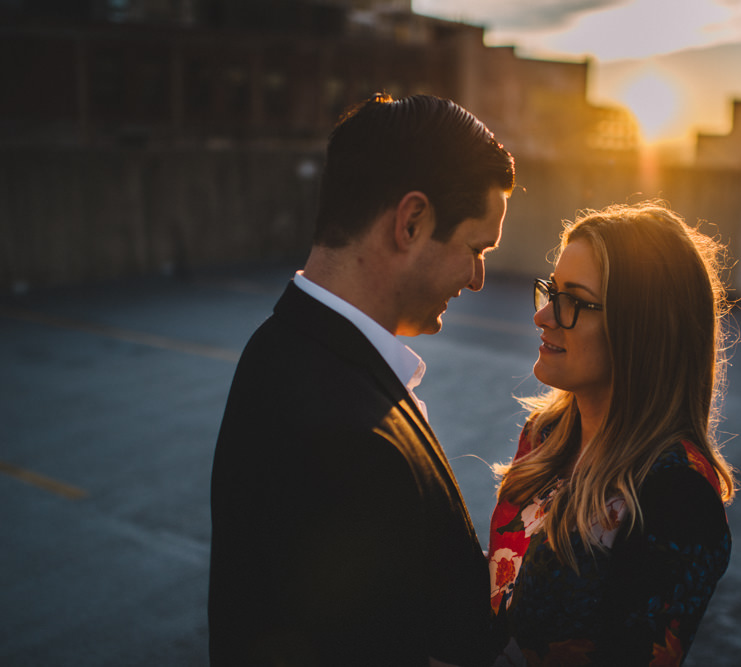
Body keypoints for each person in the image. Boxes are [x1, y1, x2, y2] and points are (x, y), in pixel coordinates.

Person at [208, 93, 515, 666]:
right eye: (476, 248)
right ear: (412, 222)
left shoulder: (280, 346)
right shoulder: (346, 439)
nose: (477, 279)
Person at [487, 202, 737, 666]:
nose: (543, 318)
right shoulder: (545, 436)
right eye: (550, 291)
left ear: (640, 328)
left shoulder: (676, 492)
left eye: (573, 302)